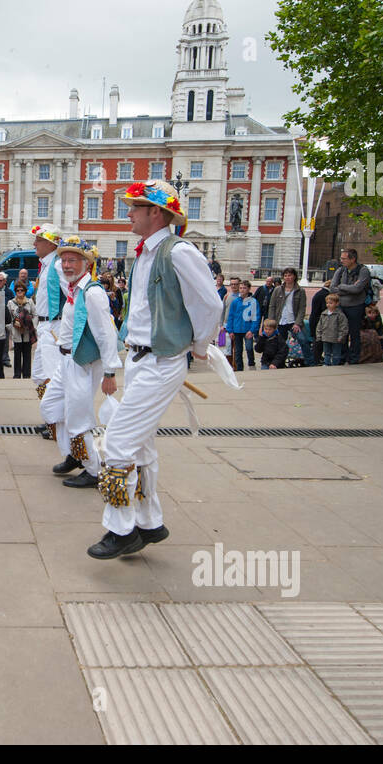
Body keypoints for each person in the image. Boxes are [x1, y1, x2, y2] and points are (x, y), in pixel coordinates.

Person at [91, 180, 221, 559]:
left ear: (156, 213)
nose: (128, 211)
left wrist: (198, 347)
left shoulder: (178, 251)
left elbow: (210, 304)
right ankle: (150, 523)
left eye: (135, 206)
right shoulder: (148, 252)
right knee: (141, 444)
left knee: (116, 444)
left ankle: (122, 530)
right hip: (144, 358)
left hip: (162, 361)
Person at [44, 237, 121, 489]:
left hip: (82, 362)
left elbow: (106, 333)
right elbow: (57, 264)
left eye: (72, 260)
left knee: (79, 417)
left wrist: (110, 371)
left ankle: (94, 468)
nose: (65, 265)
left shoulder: (93, 293)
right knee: (51, 406)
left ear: (87, 264)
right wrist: (61, 247)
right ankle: (76, 453)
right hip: (65, 361)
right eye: (64, 260)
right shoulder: (73, 287)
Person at [29, 223, 64, 438]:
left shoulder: (58, 265)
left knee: (52, 376)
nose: (35, 244)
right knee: (40, 375)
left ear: (51, 243)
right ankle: (51, 419)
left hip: (54, 325)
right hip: (44, 325)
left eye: (39, 240)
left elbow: (70, 295)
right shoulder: (46, 264)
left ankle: (58, 424)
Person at [327, 248, 371, 364]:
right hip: (341, 306)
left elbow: (358, 289)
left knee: (354, 333)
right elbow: (332, 288)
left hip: (356, 306)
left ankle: (354, 359)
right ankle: (342, 357)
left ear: (353, 259)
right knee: (342, 333)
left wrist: (341, 287)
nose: (341, 260)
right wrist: (349, 288)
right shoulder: (341, 270)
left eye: (344, 258)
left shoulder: (363, 271)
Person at [225, 279, 260, 371]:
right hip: (236, 330)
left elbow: (256, 317)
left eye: (244, 288)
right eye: (240, 288)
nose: (242, 290)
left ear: (249, 289)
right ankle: (239, 368)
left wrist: (252, 330)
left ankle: (251, 364)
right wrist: (230, 330)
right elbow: (231, 316)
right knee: (237, 351)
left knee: (249, 348)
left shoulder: (253, 302)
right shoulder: (235, 302)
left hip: (248, 329)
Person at [267, 268, 306, 341]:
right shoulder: (277, 290)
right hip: (280, 321)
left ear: (294, 276)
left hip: (293, 321)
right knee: (280, 343)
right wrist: (272, 320)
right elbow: (272, 306)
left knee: (302, 340)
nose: (287, 277)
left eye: (289, 275)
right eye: (285, 276)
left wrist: (297, 323)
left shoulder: (300, 291)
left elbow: (302, 308)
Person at [7, 281, 35, 378]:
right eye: (17, 290)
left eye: (22, 290)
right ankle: (17, 375)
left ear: (25, 291)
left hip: (27, 332)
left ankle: (27, 375)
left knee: (27, 354)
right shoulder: (11, 303)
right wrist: (13, 326)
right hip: (16, 333)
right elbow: (7, 319)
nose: (20, 292)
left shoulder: (30, 302)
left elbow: (35, 315)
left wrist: (31, 325)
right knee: (17, 355)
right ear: (15, 291)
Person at [317, 293, 348, 366]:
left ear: (337, 304)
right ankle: (326, 363)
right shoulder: (323, 314)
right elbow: (319, 325)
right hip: (325, 337)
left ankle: (335, 364)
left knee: (336, 353)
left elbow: (343, 327)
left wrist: (341, 336)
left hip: (336, 338)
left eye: (331, 303)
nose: (328, 305)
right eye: (327, 303)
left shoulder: (340, 315)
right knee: (326, 352)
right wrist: (319, 335)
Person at [307, 280, 330, 367]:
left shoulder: (320, 293)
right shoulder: (324, 295)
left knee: (317, 341)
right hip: (318, 321)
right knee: (318, 342)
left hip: (314, 319)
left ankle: (316, 359)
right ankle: (316, 360)